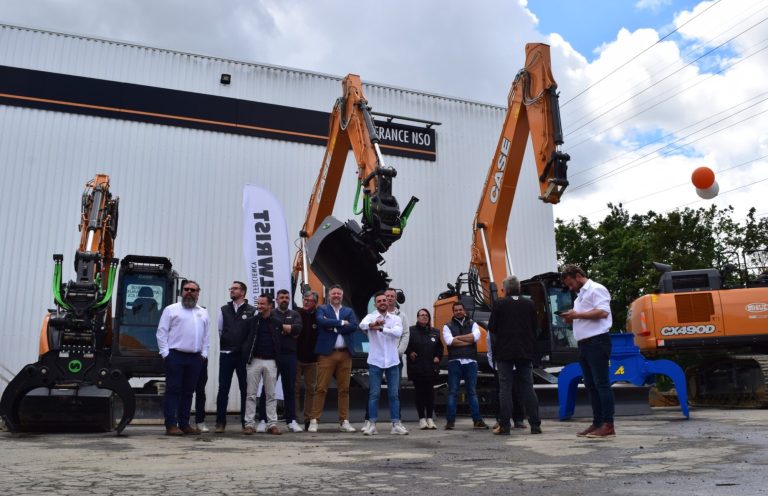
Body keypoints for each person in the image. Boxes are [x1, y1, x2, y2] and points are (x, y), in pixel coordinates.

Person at [560, 264, 616, 439]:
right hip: (585, 344)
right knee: (591, 386)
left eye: (571, 283)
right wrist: (571, 318)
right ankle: (598, 422)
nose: (570, 288)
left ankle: (608, 425)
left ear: (578, 276)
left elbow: (603, 312)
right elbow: (586, 315)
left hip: (597, 341)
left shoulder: (596, 289)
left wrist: (576, 315)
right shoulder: (580, 297)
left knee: (602, 384)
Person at [487, 275, 542, 435]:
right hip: (525, 351)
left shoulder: (499, 304)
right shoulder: (529, 303)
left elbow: (492, 328)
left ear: (505, 289)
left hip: (505, 352)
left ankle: (505, 426)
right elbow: (535, 327)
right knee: (528, 387)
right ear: (519, 288)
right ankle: (535, 425)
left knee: (505, 388)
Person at [156, 280, 210, 436]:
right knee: (173, 390)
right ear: (181, 292)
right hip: (175, 356)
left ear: (198, 293)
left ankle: (184, 424)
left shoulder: (203, 312)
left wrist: (203, 354)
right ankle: (171, 425)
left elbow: (206, 336)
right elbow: (161, 332)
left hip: (195, 358)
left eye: (193, 290)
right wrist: (165, 354)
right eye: (186, 289)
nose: (189, 292)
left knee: (188, 392)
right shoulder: (171, 310)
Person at [307, 284, 359, 433]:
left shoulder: (348, 311)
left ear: (342, 296)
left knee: (344, 389)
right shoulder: (322, 309)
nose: (336, 296)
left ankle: (344, 421)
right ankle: (314, 420)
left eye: (338, 294)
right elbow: (321, 322)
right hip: (327, 354)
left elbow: (353, 326)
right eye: (334, 293)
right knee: (321, 388)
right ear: (329, 295)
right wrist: (342, 323)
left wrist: (333, 327)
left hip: (345, 354)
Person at [359, 291, 408, 436]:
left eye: (384, 300)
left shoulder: (395, 318)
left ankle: (396, 424)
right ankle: (372, 424)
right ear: (375, 304)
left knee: (394, 394)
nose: (382, 302)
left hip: (392, 361)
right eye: (379, 301)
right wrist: (373, 324)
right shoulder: (371, 316)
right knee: (374, 394)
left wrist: (381, 328)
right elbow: (362, 325)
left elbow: (397, 333)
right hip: (376, 361)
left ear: (388, 302)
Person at [256, 289, 303, 433]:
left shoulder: (295, 314)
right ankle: (263, 420)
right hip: (273, 356)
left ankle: (291, 420)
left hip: (290, 355)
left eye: (286, 297)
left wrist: (280, 328)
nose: (284, 299)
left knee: (290, 388)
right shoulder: (271, 314)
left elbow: (297, 329)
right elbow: (271, 330)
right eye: (281, 297)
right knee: (267, 389)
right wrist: (287, 329)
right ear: (276, 300)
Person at [214, 281, 256, 434]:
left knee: (246, 389)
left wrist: (245, 351)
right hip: (226, 355)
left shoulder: (252, 311)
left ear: (243, 292)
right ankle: (220, 423)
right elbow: (220, 330)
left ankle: (246, 423)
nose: (231, 290)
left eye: (235, 288)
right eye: (231, 288)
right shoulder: (224, 310)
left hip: (243, 357)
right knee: (223, 389)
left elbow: (253, 334)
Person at [442, 301, 489, 430]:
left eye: (460, 309)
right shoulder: (447, 325)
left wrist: (458, 338)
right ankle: (450, 422)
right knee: (453, 391)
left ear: (464, 311)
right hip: (454, 362)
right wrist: (468, 341)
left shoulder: (473, 324)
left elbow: (476, 337)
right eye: (456, 310)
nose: (458, 312)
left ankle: (477, 421)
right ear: (453, 312)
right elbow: (449, 341)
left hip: (471, 362)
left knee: (472, 392)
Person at [241, 294, 283, 435]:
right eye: (258, 303)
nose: (259, 306)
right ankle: (249, 424)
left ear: (270, 305)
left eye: (262, 304)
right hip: (254, 361)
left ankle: (272, 424)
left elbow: (279, 342)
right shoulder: (251, 321)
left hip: (271, 361)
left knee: (271, 394)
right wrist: (246, 355)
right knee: (251, 394)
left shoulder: (277, 323)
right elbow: (244, 340)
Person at [405, 308, 442, 430]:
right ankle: (422, 419)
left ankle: (430, 418)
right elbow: (405, 344)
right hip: (417, 367)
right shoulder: (411, 331)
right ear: (417, 317)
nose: (424, 317)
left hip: (431, 368)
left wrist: (437, 356)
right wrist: (410, 352)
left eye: (426, 315)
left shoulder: (435, 332)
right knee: (420, 393)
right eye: (422, 315)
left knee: (430, 393)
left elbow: (440, 348)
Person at [295, 290, 320, 431]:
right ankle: (294, 418)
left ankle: (308, 418)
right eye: (304, 299)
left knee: (311, 390)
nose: (305, 302)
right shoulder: (296, 313)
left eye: (309, 300)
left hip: (313, 360)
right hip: (296, 358)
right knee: (295, 389)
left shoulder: (319, 316)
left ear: (315, 303)